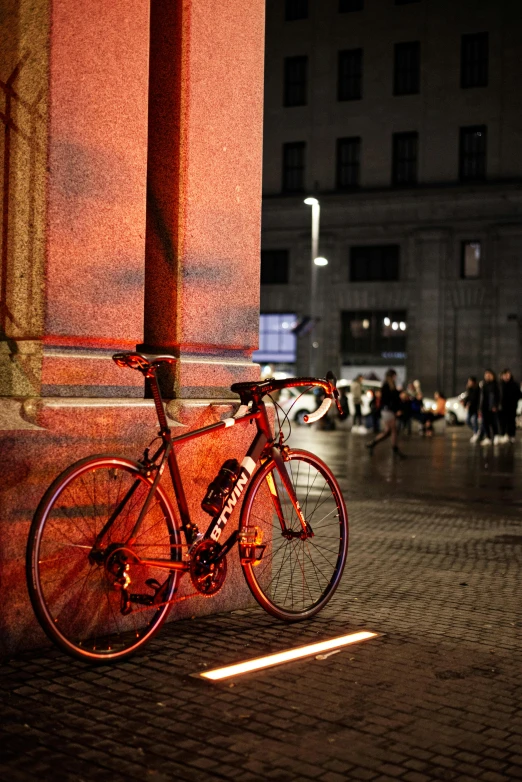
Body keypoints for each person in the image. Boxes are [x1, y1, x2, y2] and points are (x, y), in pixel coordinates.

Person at [366, 369, 406, 458]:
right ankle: (395, 449)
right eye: (394, 376)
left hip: (388, 410)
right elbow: (389, 399)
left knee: (387, 432)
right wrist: (396, 409)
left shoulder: (390, 386)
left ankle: (372, 444)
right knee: (394, 430)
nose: (396, 377)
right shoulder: (386, 386)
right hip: (388, 411)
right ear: (391, 376)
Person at [479, 369, 500, 446]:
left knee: (494, 422)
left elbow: (498, 396)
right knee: (485, 423)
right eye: (486, 374)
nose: (487, 376)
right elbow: (481, 397)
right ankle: (488, 437)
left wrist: (495, 405)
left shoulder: (495, 385)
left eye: (489, 374)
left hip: (492, 407)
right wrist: (480, 408)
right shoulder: (483, 385)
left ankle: (496, 436)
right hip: (484, 407)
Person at [499, 368, 520, 443]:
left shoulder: (514, 384)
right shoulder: (500, 385)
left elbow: (519, 395)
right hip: (502, 407)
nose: (506, 376)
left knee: (511, 422)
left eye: (508, 374)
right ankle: (504, 435)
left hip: (512, 407)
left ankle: (512, 435)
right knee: (503, 422)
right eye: (505, 375)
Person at [464, 376, 481, 443]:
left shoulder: (477, 389)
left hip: (475, 408)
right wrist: (465, 404)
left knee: (474, 421)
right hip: (471, 409)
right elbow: (468, 397)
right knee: (468, 421)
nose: (469, 383)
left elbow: (475, 399)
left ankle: (476, 433)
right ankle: (477, 431)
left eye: (470, 381)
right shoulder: (469, 389)